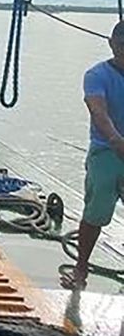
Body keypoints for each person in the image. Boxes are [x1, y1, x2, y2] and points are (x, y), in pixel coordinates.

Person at [61, 22, 124, 290]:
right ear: (111, 43)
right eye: (122, 45)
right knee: (96, 211)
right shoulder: (96, 74)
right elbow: (98, 111)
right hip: (106, 150)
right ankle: (81, 268)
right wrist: (115, 139)